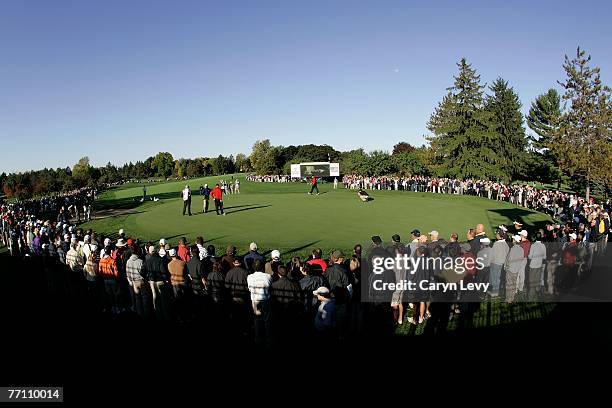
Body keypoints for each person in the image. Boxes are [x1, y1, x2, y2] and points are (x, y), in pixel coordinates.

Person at [247, 259, 273, 345]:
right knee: (266, 320)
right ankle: (267, 338)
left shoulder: (250, 277)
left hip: (256, 301)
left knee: (258, 320)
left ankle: (259, 338)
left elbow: (250, 288)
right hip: (264, 300)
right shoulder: (268, 276)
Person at [489, 229, 509, 297]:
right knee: (498, 279)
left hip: (495, 263)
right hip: (502, 264)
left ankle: (493, 293)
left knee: (493, 279)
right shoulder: (506, 244)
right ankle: (496, 292)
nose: (496, 235)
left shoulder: (496, 244)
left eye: (497, 234)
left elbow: (492, 255)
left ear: (499, 235)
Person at [528, 231, 547, 298]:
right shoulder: (543, 245)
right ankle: (537, 292)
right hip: (539, 264)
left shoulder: (533, 245)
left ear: (535, 237)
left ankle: (531, 294)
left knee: (532, 279)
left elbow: (530, 256)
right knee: (537, 279)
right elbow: (544, 257)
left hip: (533, 265)